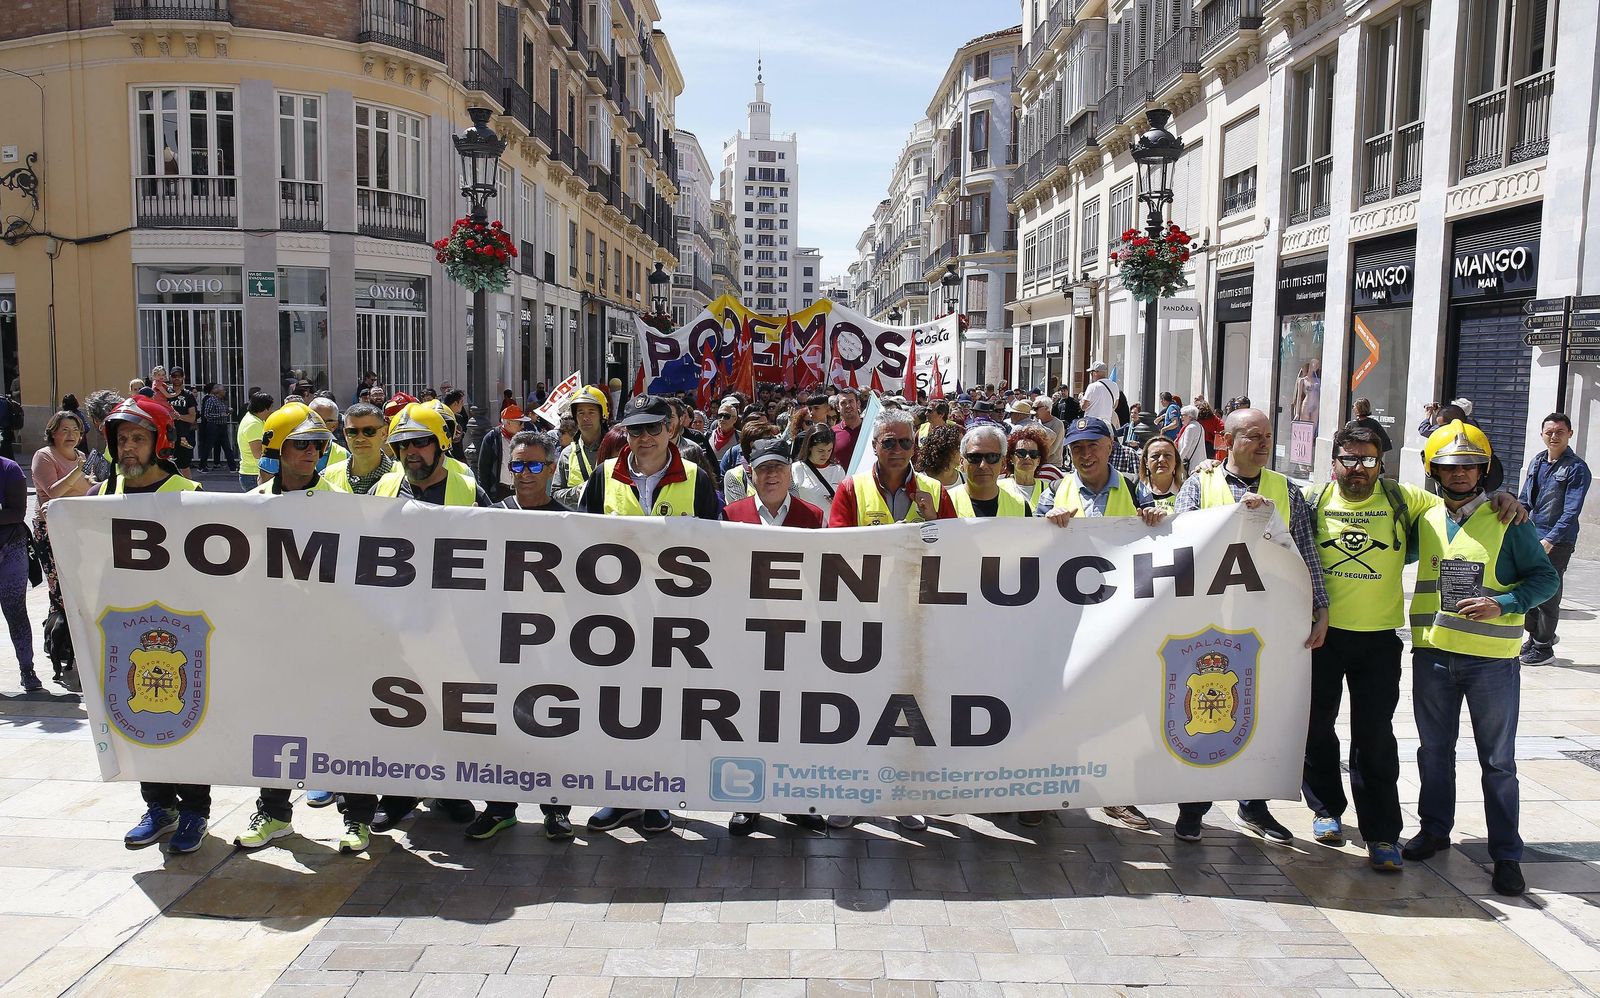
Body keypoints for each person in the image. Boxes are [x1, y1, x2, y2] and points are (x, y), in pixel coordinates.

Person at [1403, 420, 1558, 897]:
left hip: (1491, 661)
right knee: (1433, 752)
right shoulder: (1426, 520)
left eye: (1471, 466)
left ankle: (1506, 854)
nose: (1461, 474)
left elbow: (1545, 579)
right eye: (1450, 466)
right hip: (1433, 654)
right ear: (1433, 469)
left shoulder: (1509, 519)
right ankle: (1434, 829)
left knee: (1498, 761)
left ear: (1485, 470)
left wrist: (1505, 604)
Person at [1172, 408, 1329, 844]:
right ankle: (1193, 807)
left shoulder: (1286, 490)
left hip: (1267, 623)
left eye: (1268, 436)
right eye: (1253, 436)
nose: (1263, 444)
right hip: (1210, 622)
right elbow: (1182, 542)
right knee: (1204, 707)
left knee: (1259, 710)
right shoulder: (1199, 484)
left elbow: (1305, 552)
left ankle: (1254, 806)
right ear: (1227, 439)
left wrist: (1320, 606)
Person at [234, 404, 376, 854]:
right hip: (276, 638)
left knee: (346, 726)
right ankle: (274, 812)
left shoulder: (340, 504)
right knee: (277, 726)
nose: (310, 452)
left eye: (317, 444)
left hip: (334, 637)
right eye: (299, 444)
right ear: (277, 448)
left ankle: (357, 819)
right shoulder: (253, 505)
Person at [580, 395, 720, 834]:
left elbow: (717, 547)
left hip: (675, 621)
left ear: (671, 429)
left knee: (663, 709)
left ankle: (657, 794)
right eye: (634, 430)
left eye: (652, 429)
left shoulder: (696, 478)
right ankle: (619, 795)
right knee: (615, 709)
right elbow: (583, 539)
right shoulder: (604, 477)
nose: (643, 439)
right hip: (614, 619)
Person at [824, 408, 955, 832]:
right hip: (865, 617)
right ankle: (854, 794)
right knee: (858, 707)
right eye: (888, 442)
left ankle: (905, 796)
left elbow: (955, 551)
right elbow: (838, 548)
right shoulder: (851, 488)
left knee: (908, 710)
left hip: (917, 617)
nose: (897, 450)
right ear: (875, 445)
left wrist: (931, 519)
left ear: (915, 446)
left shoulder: (935, 489)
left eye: (905, 442)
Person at [1037, 417, 1165, 831]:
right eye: (1076, 448)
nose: (1085, 454)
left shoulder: (1133, 488)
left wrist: (1156, 515)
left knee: (1118, 707)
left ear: (1110, 447)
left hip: (1118, 622)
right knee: (1056, 704)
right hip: (1065, 619)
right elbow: (1025, 539)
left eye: (1093, 445)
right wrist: (1046, 521)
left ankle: (1116, 796)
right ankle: (1046, 790)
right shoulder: (1056, 489)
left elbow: (1168, 524)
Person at [368, 404, 487, 833]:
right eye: (402, 445)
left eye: (420, 443)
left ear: (441, 444)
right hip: (398, 624)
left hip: (455, 626)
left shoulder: (471, 488)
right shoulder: (383, 488)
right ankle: (398, 794)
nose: (411, 452)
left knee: (448, 711)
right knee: (401, 710)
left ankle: (450, 789)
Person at [97, 398, 209, 853]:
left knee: (186, 718)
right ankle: (158, 805)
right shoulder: (106, 495)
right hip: (127, 631)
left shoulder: (189, 492)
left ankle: (195, 809)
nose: (128, 449)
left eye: (137, 439)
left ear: (159, 442)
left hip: (182, 633)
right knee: (140, 717)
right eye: (121, 440)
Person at [720, 438, 830, 837]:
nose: (770, 475)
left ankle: (794, 800)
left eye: (778, 468)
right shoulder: (731, 514)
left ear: (789, 473)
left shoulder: (813, 516)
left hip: (796, 635)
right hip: (747, 634)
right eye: (763, 468)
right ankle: (747, 802)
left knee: (791, 719)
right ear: (750, 473)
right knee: (747, 718)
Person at [471, 429, 576, 842]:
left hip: (555, 645)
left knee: (554, 726)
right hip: (504, 644)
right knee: (503, 727)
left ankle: (557, 809)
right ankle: (499, 808)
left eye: (535, 465)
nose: (525, 473)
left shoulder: (572, 521)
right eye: (518, 465)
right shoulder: (493, 515)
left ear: (551, 468)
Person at [1519, 413, 1591, 666]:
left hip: (1558, 541)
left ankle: (1544, 646)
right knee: (1526, 587)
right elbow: (1525, 500)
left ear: (1569, 434)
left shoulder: (1577, 468)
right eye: (1549, 431)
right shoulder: (1538, 461)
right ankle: (1535, 635)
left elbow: (1571, 511)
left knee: (1549, 593)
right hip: (1532, 535)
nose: (1554, 436)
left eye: (1560, 431)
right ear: (1541, 434)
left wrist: (1550, 540)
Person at [31, 411, 92, 645]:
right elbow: (53, 492)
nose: (71, 435)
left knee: (77, 586)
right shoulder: (43, 456)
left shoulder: (81, 456)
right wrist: (79, 470)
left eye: (76, 430)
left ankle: (64, 640)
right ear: (53, 432)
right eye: (65, 430)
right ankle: (59, 641)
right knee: (59, 589)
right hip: (51, 530)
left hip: (79, 529)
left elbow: (87, 489)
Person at [949, 424, 1030, 519]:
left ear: (1003, 463)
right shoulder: (944, 503)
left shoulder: (1021, 507)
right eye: (975, 457)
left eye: (992, 457)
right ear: (961, 463)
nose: (983, 465)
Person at [318, 401, 392, 494]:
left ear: (384, 433)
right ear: (345, 434)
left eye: (369, 431)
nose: (360, 439)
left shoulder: (404, 478)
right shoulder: (325, 477)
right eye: (352, 432)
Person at [554, 385, 609, 509]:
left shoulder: (617, 449)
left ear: (602, 415)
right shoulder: (567, 453)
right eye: (580, 413)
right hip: (578, 523)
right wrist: (576, 492)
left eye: (591, 412)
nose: (585, 418)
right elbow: (555, 494)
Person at [476, 404, 526, 502]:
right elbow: (483, 469)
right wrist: (485, 496)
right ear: (508, 423)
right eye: (520, 423)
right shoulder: (492, 438)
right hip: (500, 492)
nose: (523, 426)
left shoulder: (524, 438)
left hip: (520, 489)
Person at [790, 424, 845, 509]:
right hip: (806, 520)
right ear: (810, 447)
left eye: (829, 450)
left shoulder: (838, 470)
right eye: (821, 450)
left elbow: (846, 501)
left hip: (831, 521)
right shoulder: (796, 469)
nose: (825, 455)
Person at [1001, 426, 1052, 511]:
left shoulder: (1049, 490)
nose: (1028, 457)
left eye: (1033, 454)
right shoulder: (998, 487)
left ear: (1038, 460)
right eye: (1021, 453)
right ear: (1011, 458)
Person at [165, 367, 198, 478]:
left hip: (183, 435)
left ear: (184, 377)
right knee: (166, 464)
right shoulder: (165, 393)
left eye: (179, 376)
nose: (177, 378)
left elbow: (192, 417)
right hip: (167, 435)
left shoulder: (188, 395)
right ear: (170, 377)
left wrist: (178, 417)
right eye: (174, 376)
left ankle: (189, 490)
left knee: (184, 465)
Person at [237, 391, 273, 491]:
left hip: (252, 473)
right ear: (265, 408)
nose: (271, 411)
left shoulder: (254, 419)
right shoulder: (253, 424)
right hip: (253, 474)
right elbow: (257, 453)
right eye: (271, 408)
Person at [1139, 436, 1184, 513]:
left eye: (1167, 455)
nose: (1161, 460)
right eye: (1155, 456)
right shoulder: (1135, 490)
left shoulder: (1187, 489)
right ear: (1146, 462)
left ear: (1176, 461)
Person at [917, 423, 964, 490]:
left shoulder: (966, 479)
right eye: (960, 447)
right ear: (946, 449)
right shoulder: (919, 480)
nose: (964, 451)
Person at [197, 383, 232, 471]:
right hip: (213, 426)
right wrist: (221, 415)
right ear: (218, 391)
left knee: (227, 447)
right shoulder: (211, 400)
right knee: (208, 446)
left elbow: (223, 412)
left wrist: (228, 411)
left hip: (222, 426)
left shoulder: (221, 401)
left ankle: (233, 467)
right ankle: (202, 466)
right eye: (223, 390)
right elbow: (207, 414)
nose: (225, 391)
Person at [1082, 360, 1121, 430]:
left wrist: (1081, 400)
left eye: (1091, 372)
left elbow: (1084, 406)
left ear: (1096, 372)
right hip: (1106, 424)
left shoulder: (1092, 386)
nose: (1091, 375)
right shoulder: (1115, 385)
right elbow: (1115, 405)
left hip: (1091, 423)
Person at [832, 389, 866, 469]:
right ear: (837, 407)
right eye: (843, 403)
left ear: (858, 404)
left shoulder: (870, 428)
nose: (847, 406)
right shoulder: (832, 432)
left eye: (851, 401)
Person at [1032, 396, 1065, 467]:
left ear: (1047, 408)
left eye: (1036, 408)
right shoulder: (1035, 421)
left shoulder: (1058, 424)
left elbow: (1052, 449)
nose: (1034, 411)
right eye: (1033, 408)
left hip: (1052, 465)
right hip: (1037, 464)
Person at [1175, 405, 1205, 473]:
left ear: (1190, 416)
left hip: (1191, 465)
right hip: (1198, 462)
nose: (1180, 417)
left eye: (1183, 415)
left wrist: (1177, 462)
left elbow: (1186, 447)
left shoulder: (1190, 428)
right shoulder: (1199, 426)